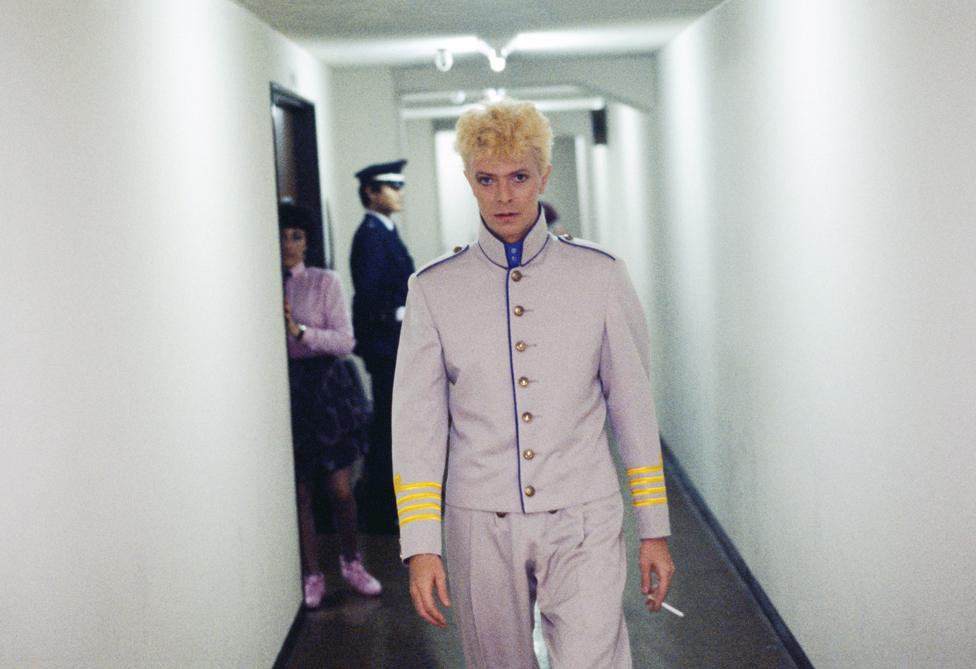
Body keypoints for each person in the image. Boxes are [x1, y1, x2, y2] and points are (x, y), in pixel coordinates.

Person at [391, 99, 675, 668]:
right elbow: (418, 426)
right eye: (487, 179)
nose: (504, 196)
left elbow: (634, 410)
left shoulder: (599, 275)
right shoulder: (433, 289)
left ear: (543, 176)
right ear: (469, 181)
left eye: (519, 177)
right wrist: (421, 544)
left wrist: (654, 528)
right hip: (479, 522)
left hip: (584, 515)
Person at [280, 202, 382, 607]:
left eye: (297, 236)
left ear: (307, 242)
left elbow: (345, 340)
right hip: (287, 391)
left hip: (327, 388)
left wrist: (300, 331)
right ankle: (312, 574)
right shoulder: (259, 285)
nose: (289, 244)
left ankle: (352, 562)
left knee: (340, 488)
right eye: (283, 236)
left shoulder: (324, 282)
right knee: (300, 490)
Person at [349, 160, 415, 534]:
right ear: (371, 192)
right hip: (384, 344)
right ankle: (379, 509)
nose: (398, 192)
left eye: (400, 185)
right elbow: (372, 298)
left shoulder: (384, 230)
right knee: (387, 428)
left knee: (393, 425)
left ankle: (387, 506)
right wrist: (405, 311)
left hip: (392, 343)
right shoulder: (371, 235)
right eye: (391, 185)